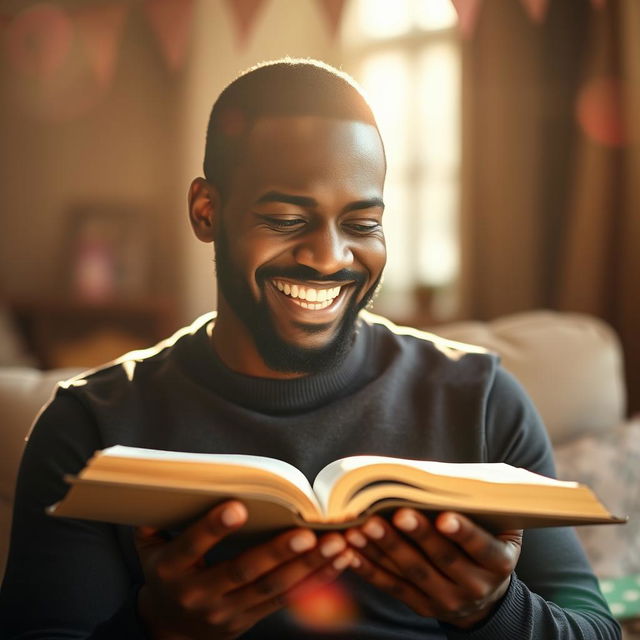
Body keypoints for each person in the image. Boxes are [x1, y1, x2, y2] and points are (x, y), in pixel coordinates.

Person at [0, 59, 620, 640]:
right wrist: (158, 629)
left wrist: (492, 610)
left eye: (362, 223)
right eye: (285, 218)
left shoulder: (480, 400)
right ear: (207, 210)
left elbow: (596, 628)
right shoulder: (87, 425)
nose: (329, 258)